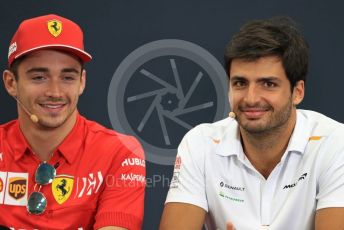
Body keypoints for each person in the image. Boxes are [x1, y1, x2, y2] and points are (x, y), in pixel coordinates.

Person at [160, 17, 344, 230]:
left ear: (298, 92)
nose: (251, 98)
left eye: (268, 84)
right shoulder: (200, 143)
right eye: (240, 83)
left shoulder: (335, 143)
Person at [0, 14, 145, 229]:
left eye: (67, 77)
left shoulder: (121, 152)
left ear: (81, 82)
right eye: (39, 77)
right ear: (11, 83)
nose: (55, 92)